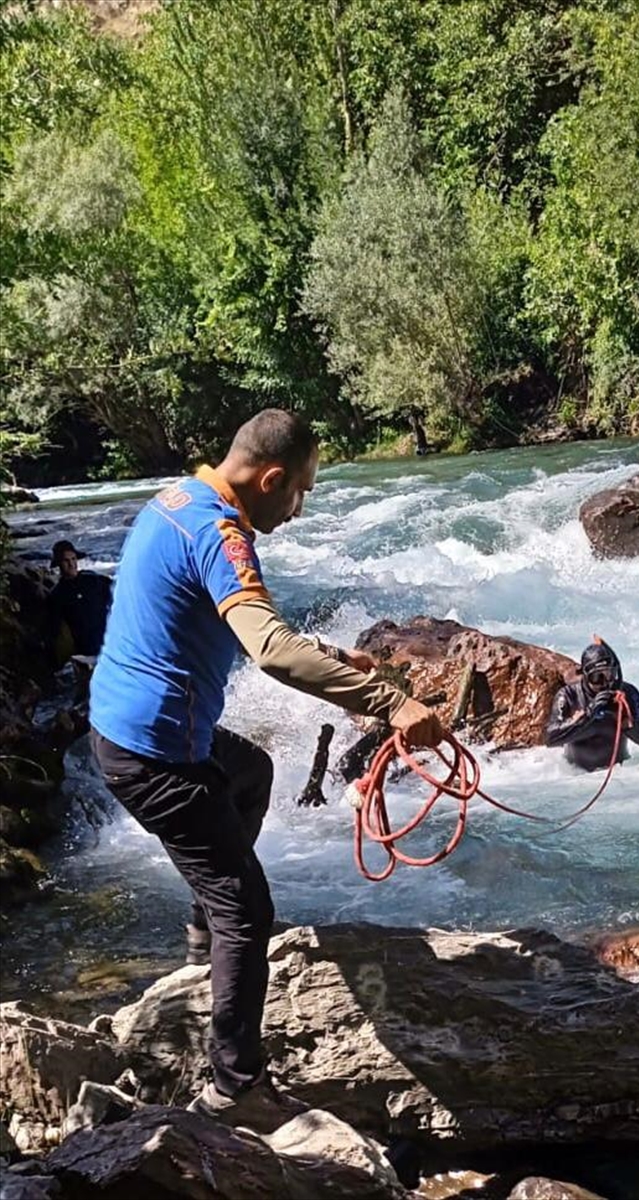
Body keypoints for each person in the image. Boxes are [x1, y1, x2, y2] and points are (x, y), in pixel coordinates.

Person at [88, 409, 444, 1133]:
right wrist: (391, 703)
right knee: (247, 912)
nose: (300, 507)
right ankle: (234, 1088)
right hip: (155, 750)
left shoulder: (179, 502)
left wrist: (337, 660)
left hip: (126, 727)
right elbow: (272, 650)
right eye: (301, 491)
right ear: (272, 477)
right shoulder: (223, 534)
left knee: (250, 773)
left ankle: (199, 946)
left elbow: (230, 624)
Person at [544, 637, 639, 771]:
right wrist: (585, 717)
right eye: (596, 677)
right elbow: (550, 738)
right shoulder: (569, 695)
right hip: (574, 776)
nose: (604, 683)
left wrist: (628, 724)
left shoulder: (627, 693)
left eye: (609, 675)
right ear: (584, 675)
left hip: (619, 774)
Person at [45, 540, 113, 661]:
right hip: (86, 653)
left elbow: (118, 595)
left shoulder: (93, 580)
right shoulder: (57, 595)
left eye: (73, 559)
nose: (71, 564)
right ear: (59, 564)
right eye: (66, 561)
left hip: (111, 643)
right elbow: (54, 630)